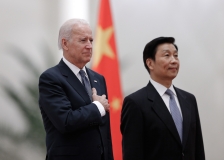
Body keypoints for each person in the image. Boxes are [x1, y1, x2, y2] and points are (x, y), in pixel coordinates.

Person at [38, 19, 114, 160]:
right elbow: (66, 121)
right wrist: (97, 106)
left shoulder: (98, 78)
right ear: (65, 43)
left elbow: (105, 132)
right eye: (83, 40)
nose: (89, 46)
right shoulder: (51, 78)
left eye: (91, 40)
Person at [120, 37, 205, 160]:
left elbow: (198, 148)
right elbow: (132, 153)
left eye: (176, 55)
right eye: (167, 55)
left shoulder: (189, 99)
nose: (174, 60)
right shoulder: (136, 103)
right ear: (150, 63)